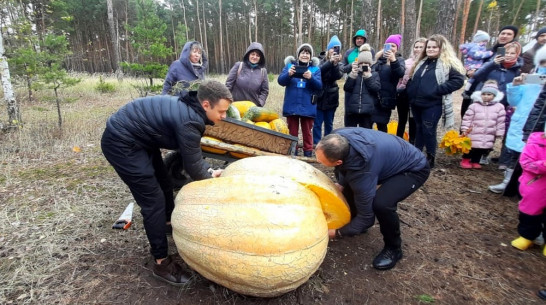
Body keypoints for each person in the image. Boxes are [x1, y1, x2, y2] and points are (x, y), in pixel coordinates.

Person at [101, 80, 232, 285]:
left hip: (140, 138)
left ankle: (168, 223)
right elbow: (194, 167)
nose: (224, 116)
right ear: (206, 105)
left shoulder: (192, 110)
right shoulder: (191, 121)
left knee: (164, 182)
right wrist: (212, 181)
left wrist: (208, 170)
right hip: (121, 143)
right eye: (222, 111)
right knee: (153, 202)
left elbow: (192, 156)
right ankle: (161, 263)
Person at [315, 128, 430, 270]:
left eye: (321, 161)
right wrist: (342, 183)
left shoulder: (363, 172)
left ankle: (393, 249)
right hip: (384, 158)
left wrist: (337, 232)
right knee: (349, 184)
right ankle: (353, 224)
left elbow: (367, 218)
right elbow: (348, 168)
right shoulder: (338, 136)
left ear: (338, 162)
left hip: (413, 168)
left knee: (382, 204)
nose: (317, 161)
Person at [489, 48, 546, 194]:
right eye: (543, 63)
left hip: (541, 129)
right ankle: (508, 183)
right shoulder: (530, 80)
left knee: (537, 158)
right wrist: (515, 86)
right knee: (516, 155)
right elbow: (513, 101)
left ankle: (530, 189)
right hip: (523, 123)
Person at [406, 34, 465, 168]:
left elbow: (458, 81)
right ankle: (417, 154)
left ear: (441, 48)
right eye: (429, 47)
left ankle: (430, 158)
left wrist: (437, 90)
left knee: (428, 130)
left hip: (432, 104)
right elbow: (413, 79)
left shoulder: (447, 63)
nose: (430, 49)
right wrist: (410, 89)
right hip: (416, 103)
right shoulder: (422, 62)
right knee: (419, 128)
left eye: (434, 47)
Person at [472, 41, 522, 169]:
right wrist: (492, 64)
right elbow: (477, 75)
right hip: (485, 101)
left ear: (517, 54)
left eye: (513, 53)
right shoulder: (493, 65)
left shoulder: (518, 70)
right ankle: (478, 153)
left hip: (505, 104)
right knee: (482, 127)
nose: (509, 55)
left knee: (496, 129)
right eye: (507, 52)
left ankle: (500, 158)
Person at [461, 25, 519, 118]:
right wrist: (469, 72)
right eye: (502, 33)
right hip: (479, 91)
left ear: (513, 37)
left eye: (509, 34)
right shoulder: (487, 52)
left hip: (502, 98)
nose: (504, 36)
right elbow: (473, 65)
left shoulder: (517, 60)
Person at [278, 43, 322, 157]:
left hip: (307, 106)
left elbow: (319, 86)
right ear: (298, 55)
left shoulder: (315, 69)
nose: (305, 55)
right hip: (292, 105)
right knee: (292, 132)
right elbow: (281, 81)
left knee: (307, 132)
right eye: (302, 52)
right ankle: (293, 153)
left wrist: (311, 78)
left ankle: (308, 153)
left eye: (307, 53)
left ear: (311, 56)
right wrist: (289, 75)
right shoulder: (289, 67)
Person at [509, 127, 546, 257]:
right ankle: (527, 236)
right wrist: (544, 165)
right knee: (529, 213)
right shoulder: (535, 143)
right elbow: (526, 162)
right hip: (535, 188)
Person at [460, 80, 506, 169]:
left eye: (489, 94)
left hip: (489, 132)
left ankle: (475, 161)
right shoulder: (474, 106)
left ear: (494, 95)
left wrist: (499, 133)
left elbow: (501, 121)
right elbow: (467, 118)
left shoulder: (499, 107)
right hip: (474, 131)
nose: (486, 96)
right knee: (470, 147)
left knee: (481, 148)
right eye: (484, 94)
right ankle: (465, 160)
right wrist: (465, 128)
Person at [313, 35, 344, 145]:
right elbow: (318, 72)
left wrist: (335, 64)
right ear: (328, 49)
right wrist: (330, 62)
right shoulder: (320, 60)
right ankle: (316, 144)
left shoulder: (339, 63)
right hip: (319, 97)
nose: (334, 50)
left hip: (332, 98)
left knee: (329, 124)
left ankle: (327, 146)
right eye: (332, 47)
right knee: (317, 124)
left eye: (337, 48)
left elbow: (338, 76)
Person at [372, 34, 405, 132]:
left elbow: (400, 73)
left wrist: (393, 60)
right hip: (373, 98)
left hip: (386, 99)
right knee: (368, 124)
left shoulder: (399, 60)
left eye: (393, 46)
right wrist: (377, 59)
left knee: (382, 126)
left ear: (397, 48)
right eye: (388, 45)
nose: (391, 48)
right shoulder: (378, 60)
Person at [343, 44, 381, 129]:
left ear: (370, 64)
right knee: (350, 134)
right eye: (361, 63)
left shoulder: (374, 75)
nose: (363, 65)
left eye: (366, 63)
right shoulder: (354, 74)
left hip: (367, 112)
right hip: (353, 110)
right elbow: (347, 88)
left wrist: (368, 77)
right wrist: (352, 76)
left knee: (365, 136)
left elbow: (376, 89)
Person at [396, 37, 427, 143]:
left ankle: (412, 142)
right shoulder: (406, 62)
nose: (417, 49)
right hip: (404, 94)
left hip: (418, 96)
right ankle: (398, 141)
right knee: (402, 120)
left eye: (421, 47)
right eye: (416, 47)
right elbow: (400, 78)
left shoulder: (428, 63)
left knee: (414, 121)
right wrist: (399, 88)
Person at [225, 42, 269, 106]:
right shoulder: (238, 66)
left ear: (260, 58)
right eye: (253, 54)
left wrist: (260, 103)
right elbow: (228, 85)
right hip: (235, 106)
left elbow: (264, 91)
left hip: (252, 109)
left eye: (257, 55)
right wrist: (227, 101)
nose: (255, 57)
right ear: (248, 54)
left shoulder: (263, 71)